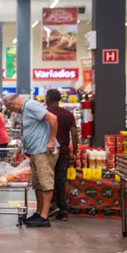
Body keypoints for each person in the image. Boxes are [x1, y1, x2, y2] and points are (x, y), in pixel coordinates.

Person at [3, 93, 58, 228]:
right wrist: (18, 150)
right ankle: (38, 213)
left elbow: (53, 118)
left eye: (9, 109)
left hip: (43, 151)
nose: (11, 112)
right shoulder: (25, 110)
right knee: (37, 184)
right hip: (34, 152)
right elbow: (28, 133)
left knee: (46, 183)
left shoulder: (32, 106)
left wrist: (51, 141)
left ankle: (44, 217)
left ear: (11, 105)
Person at [45, 89, 79, 221]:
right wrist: (75, 152)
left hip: (48, 151)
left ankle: (49, 208)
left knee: (47, 180)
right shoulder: (68, 115)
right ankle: (63, 210)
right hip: (64, 151)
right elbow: (74, 134)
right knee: (60, 181)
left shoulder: (45, 114)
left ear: (48, 98)